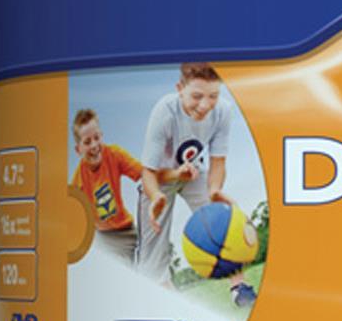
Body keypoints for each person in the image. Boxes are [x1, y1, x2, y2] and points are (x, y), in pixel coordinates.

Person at [135, 63, 257, 306]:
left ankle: (239, 289)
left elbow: (218, 161)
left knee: (223, 223)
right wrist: (157, 196)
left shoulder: (222, 111)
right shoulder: (165, 112)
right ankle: (161, 302)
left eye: (213, 96)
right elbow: (148, 172)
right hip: (160, 180)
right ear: (180, 89)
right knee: (152, 257)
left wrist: (214, 190)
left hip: (193, 174)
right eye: (197, 96)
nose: (204, 105)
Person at [70, 109, 142, 263]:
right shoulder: (78, 184)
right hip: (102, 238)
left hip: (126, 231)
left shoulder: (114, 155)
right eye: (87, 142)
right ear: (78, 149)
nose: (94, 145)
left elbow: (144, 173)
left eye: (97, 138)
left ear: (102, 136)